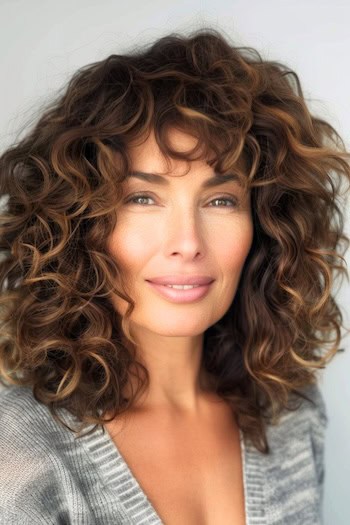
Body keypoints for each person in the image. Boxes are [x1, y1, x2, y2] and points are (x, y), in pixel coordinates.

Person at [0, 27, 349, 525]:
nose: (187, 241)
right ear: (79, 224)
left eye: (221, 200)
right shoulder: (17, 456)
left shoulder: (289, 412)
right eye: (143, 198)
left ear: (266, 226)